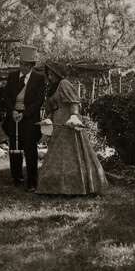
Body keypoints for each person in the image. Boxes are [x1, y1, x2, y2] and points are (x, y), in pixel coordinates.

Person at [36, 62, 109, 196]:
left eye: (52, 74)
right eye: (48, 74)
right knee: (58, 153)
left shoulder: (64, 84)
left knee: (72, 153)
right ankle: (57, 187)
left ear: (58, 74)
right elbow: (52, 109)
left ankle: (77, 187)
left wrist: (74, 117)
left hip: (68, 122)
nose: (49, 77)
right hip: (58, 124)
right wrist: (47, 121)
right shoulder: (53, 89)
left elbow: (74, 103)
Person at [2, 45, 45, 191]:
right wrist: (12, 111)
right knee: (14, 149)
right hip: (13, 117)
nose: (22, 67)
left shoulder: (39, 78)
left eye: (26, 65)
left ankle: (32, 180)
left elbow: (39, 101)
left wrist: (24, 113)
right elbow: (7, 96)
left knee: (30, 150)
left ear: (32, 65)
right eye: (21, 64)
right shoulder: (12, 76)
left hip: (29, 119)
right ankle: (16, 177)